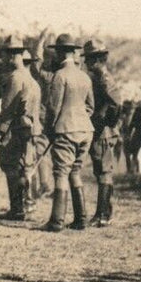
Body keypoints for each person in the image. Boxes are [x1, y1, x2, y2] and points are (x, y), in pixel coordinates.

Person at [42, 33, 95, 232]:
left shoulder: (60, 76)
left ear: (59, 53)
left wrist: (50, 129)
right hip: (86, 130)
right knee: (75, 171)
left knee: (61, 172)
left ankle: (56, 221)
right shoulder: (85, 77)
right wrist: (79, 118)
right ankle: (81, 219)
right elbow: (90, 107)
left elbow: (53, 108)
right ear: (73, 52)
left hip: (66, 130)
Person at [0, 36, 43, 220]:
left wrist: (0, 131)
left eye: (9, 55)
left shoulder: (15, 78)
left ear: (14, 55)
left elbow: (8, 108)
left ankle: (17, 209)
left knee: (11, 167)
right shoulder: (32, 80)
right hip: (30, 131)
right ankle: (25, 205)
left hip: (16, 130)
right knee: (24, 168)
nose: (7, 59)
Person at [84, 38, 122, 227]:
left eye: (90, 58)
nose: (87, 62)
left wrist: (106, 122)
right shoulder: (97, 78)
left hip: (103, 132)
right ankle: (105, 212)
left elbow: (116, 104)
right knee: (101, 171)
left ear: (99, 59)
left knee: (104, 172)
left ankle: (103, 215)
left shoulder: (105, 79)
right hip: (100, 130)